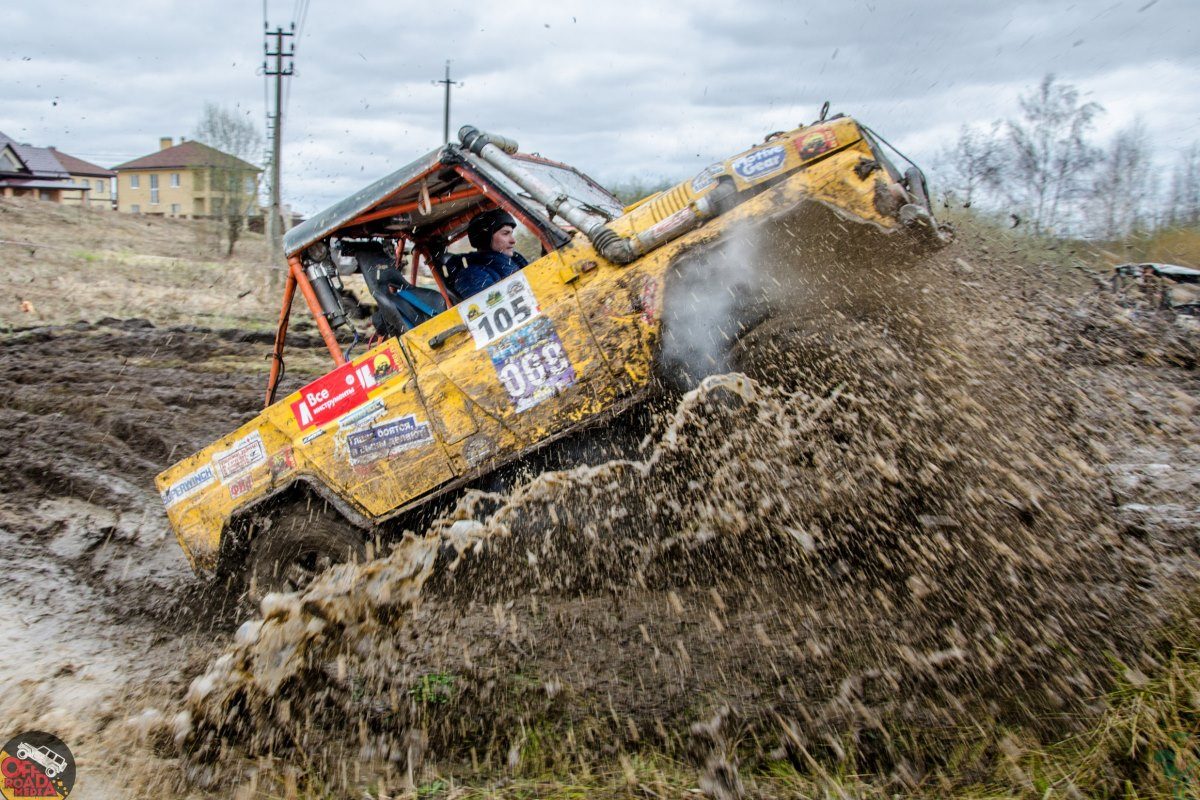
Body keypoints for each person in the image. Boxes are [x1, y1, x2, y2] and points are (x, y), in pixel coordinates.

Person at [447, 208, 529, 298]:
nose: (513, 240)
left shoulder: (516, 260)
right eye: (505, 233)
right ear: (485, 238)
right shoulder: (472, 276)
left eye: (511, 233)